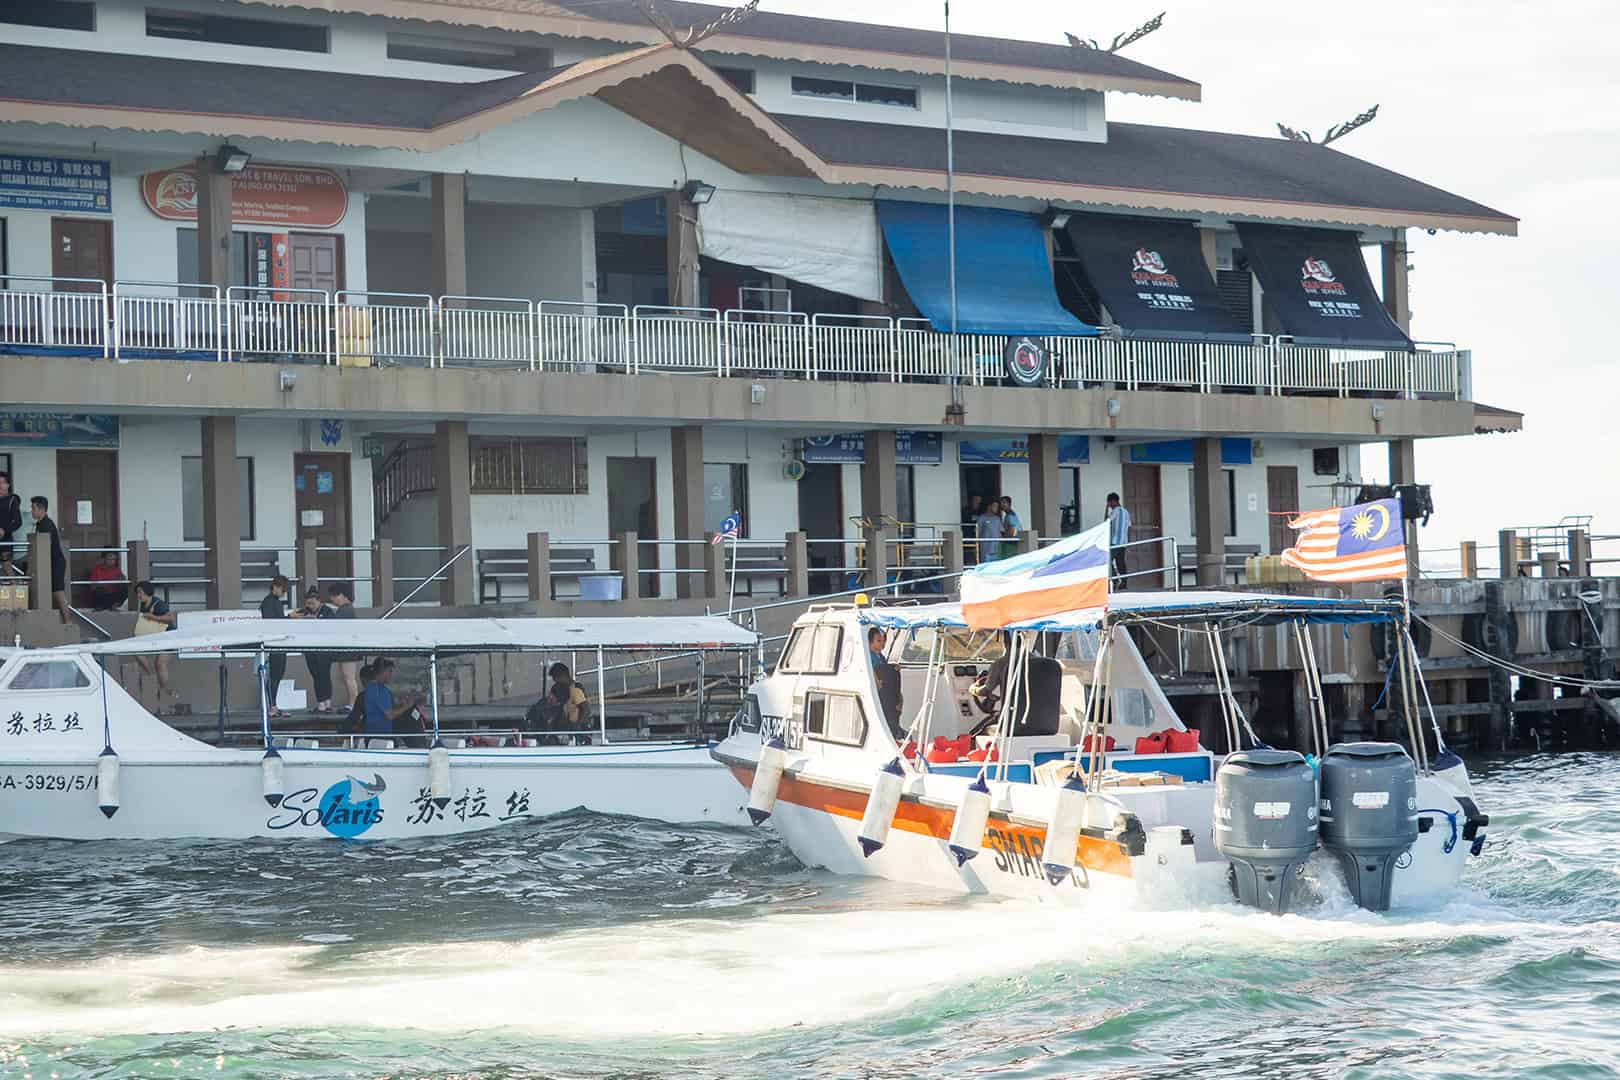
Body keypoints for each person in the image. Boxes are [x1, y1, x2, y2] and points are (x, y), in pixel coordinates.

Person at [134, 580, 178, 708]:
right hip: (155, 637)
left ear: (147, 592)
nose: (138, 595)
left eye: (140, 592)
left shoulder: (159, 604)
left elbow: (170, 618)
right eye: (137, 593)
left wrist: (153, 617)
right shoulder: (143, 604)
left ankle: (164, 689)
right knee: (137, 652)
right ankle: (151, 676)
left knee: (160, 663)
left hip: (168, 637)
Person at [294, 587, 335, 713]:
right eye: (308, 603)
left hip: (324, 648)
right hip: (310, 648)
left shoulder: (327, 611)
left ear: (319, 601)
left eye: (312, 603)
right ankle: (321, 702)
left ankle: (327, 701)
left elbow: (333, 627)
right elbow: (292, 618)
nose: (310, 606)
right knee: (316, 675)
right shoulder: (305, 611)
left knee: (324, 675)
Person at [30, 496, 70, 622]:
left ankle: (68, 621)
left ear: (41, 509)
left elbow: (44, 547)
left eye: (33, 508)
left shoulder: (46, 525)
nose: (32, 511)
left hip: (56, 563)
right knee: (53, 593)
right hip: (50, 563)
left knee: (58, 592)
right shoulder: (41, 524)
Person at [362, 657, 419, 737]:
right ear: (383, 671)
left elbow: (387, 710)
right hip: (379, 737)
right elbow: (389, 715)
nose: (391, 675)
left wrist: (402, 705)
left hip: (381, 734)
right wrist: (407, 706)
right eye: (390, 671)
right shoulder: (377, 689)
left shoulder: (375, 688)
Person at [259, 575, 290, 717]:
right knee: (274, 676)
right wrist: (290, 618)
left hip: (278, 645)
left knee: (277, 676)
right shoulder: (269, 602)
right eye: (283, 590)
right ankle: (271, 705)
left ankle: (273, 704)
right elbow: (273, 623)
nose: (283, 593)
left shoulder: (273, 602)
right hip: (274, 646)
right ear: (276, 587)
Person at [328, 583, 361, 707]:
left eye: (334, 596)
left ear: (342, 595)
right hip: (348, 649)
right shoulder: (346, 609)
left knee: (349, 677)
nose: (332, 599)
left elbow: (335, 627)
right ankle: (352, 703)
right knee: (346, 677)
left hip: (348, 650)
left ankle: (353, 704)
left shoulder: (345, 610)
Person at [867, 626, 903, 739]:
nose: (882, 644)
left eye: (884, 641)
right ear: (870, 641)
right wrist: (877, 682)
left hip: (890, 695)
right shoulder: (869, 656)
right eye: (879, 641)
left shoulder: (881, 657)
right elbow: (871, 669)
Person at [1106, 492, 1132, 588]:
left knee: (1108, 560)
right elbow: (1129, 527)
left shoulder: (1115, 511)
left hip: (1115, 541)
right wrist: (1128, 541)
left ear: (1113, 501)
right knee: (1120, 562)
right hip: (1123, 542)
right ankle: (1124, 582)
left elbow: (1106, 522)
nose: (1109, 505)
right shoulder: (1126, 512)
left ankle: (1115, 579)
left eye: (1109, 502)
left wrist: (1106, 509)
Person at [0, 471, 21, 573]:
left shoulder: (12, 500)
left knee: (7, 569)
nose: (0, 485)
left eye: (2, 482)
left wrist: (4, 530)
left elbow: (18, 522)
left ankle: (14, 587)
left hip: (5, 541)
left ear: (7, 485)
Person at [975, 499, 1004, 565]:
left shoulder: (997, 519)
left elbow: (1001, 532)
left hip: (997, 550)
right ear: (989, 506)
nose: (996, 508)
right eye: (994, 506)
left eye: (997, 506)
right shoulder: (981, 518)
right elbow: (977, 534)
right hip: (986, 550)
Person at [960, 494, 984, 566]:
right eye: (976, 500)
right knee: (969, 554)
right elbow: (965, 521)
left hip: (979, 536)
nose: (977, 502)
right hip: (968, 536)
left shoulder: (981, 511)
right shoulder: (966, 510)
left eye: (979, 501)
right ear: (972, 500)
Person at [999, 496, 1022, 560]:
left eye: (1004, 502)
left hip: (1012, 542)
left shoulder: (1010, 515)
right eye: (1001, 503)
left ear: (1009, 504)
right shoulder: (1008, 515)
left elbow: (1012, 530)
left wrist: (1004, 537)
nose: (1002, 505)